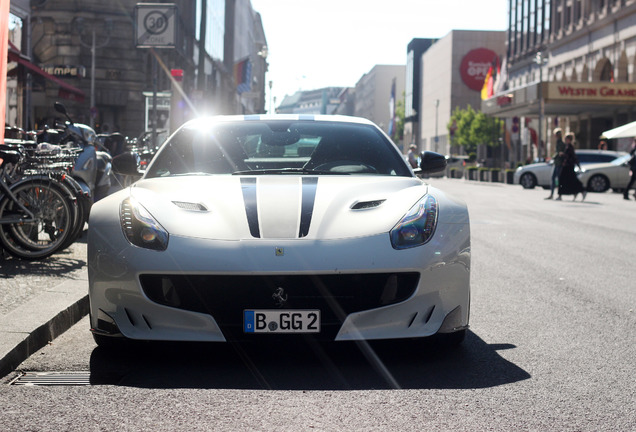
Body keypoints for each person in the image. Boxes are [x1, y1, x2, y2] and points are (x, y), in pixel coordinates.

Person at [556, 132, 587, 201]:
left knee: (567, 180)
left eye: (567, 139)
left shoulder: (570, 147)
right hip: (566, 166)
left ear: (570, 139)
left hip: (568, 166)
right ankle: (574, 192)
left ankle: (581, 191)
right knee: (568, 181)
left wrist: (563, 155)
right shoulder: (567, 146)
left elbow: (573, 157)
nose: (566, 140)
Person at [546, 128, 565, 199]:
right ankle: (552, 194)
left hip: (559, 164)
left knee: (558, 180)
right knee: (554, 179)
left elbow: (559, 153)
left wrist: (552, 158)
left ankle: (559, 195)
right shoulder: (558, 142)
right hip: (556, 163)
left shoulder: (561, 143)